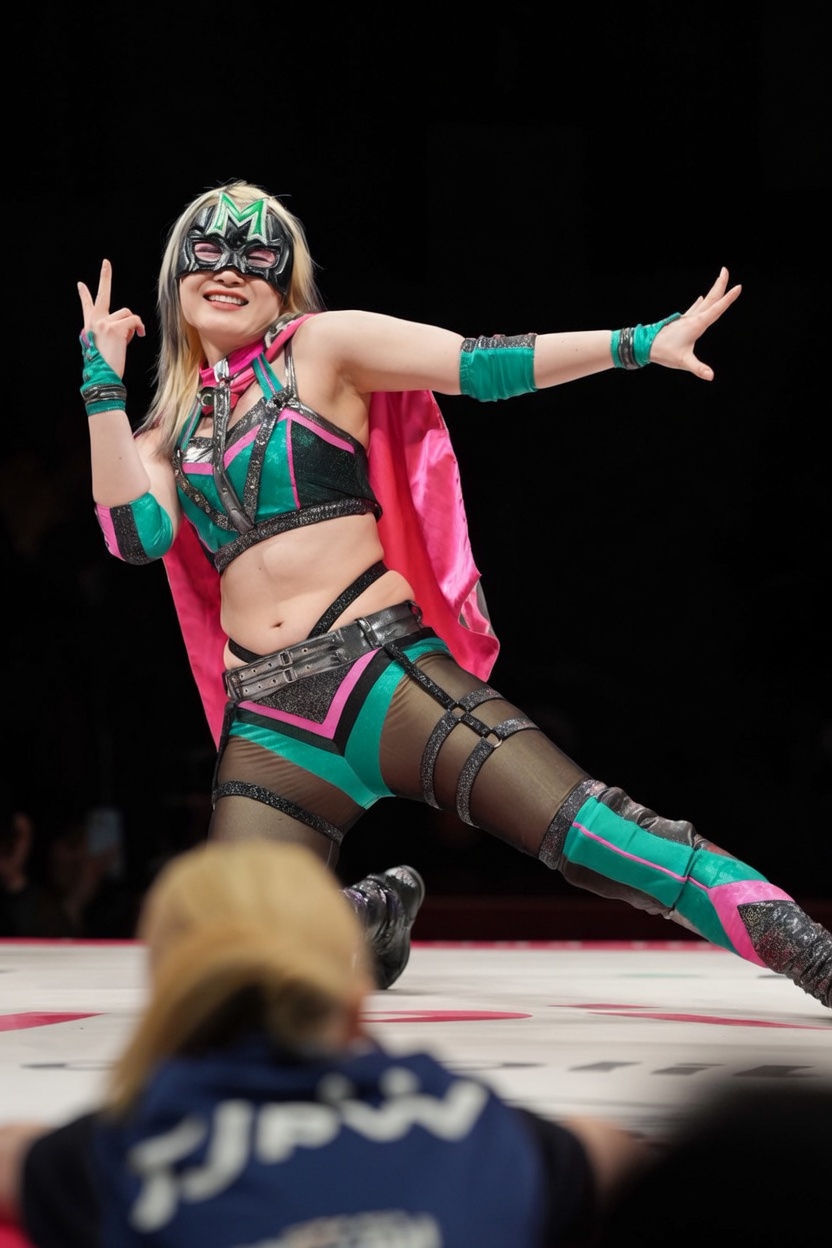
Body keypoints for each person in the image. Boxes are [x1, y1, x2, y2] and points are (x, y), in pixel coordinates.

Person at [76, 179, 830, 1006]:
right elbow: (134, 538)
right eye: (207, 250)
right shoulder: (164, 431)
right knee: (228, 965)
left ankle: (815, 957)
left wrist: (639, 343)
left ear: (283, 280)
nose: (228, 269)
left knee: (590, 834)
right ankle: (364, 921)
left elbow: (478, 364)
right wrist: (102, 386)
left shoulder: (322, 345)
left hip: (385, 678)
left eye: (256, 254)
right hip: (271, 724)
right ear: (176, 275)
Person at [0, 838, 655, 1247]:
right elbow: (623, 1158)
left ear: (170, 990)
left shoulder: (125, 1154)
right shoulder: (482, 1132)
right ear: (350, 994)